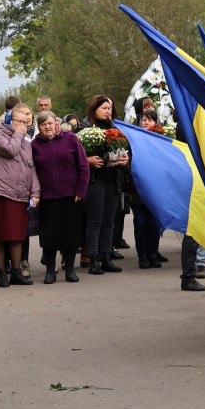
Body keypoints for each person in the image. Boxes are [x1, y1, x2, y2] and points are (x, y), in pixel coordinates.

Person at [0, 103, 39, 287]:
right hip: (0, 192)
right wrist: (19, 133)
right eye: (19, 121)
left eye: (26, 121)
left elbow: (31, 170)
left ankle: (16, 272)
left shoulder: (26, 143)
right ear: (9, 121)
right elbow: (9, 150)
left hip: (20, 194)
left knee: (17, 235)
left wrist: (35, 193)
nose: (23, 124)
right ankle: (1, 273)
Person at [31, 110, 89, 283]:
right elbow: (31, 172)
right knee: (49, 237)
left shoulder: (71, 139)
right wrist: (35, 194)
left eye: (50, 123)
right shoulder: (34, 145)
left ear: (56, 122)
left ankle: (70, 270)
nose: (47, 127)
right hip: (47, 198)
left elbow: (84, 166)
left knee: (71, 236)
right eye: (43, 124)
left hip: (70, 196)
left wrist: (80, 190)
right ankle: (50, 272)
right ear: (39, 127)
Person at [81, 95, 128, 275]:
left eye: (109, 108)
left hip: (113, 178)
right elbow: (74, 156)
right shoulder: (84, 128)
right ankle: (93, 259)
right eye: (104, 108)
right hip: (94, 180)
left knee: (109, 221)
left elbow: (127, 148)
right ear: (94, 110)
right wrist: (88, 160)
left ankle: (106, 257)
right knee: (95, 221)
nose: (108, 111)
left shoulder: (116, 128)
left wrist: (125, 158)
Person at [130, 110, 164, 269]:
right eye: (144, 119)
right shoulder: (133, 138)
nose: (146, 122)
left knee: (154, 223)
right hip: (138, 188)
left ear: (155, 123)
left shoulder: (161, 139)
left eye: (150, 120)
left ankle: (153, 253)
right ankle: (142, 255)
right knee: (141, 222)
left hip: (156, 188)